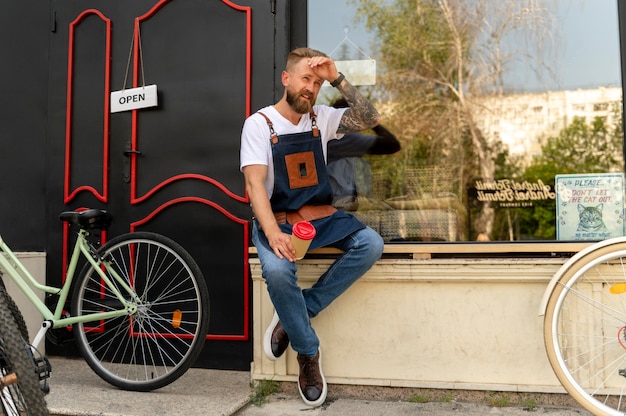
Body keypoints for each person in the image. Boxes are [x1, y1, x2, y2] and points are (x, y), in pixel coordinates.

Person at [240, 47, 385, 407]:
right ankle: (308, 352)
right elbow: (254, 185)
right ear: (286, 78)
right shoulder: (259, 124)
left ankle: (297, 313)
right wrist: (272, 233)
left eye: (318, 83)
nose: (311, 88)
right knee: (275, 271)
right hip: (281, 222)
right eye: (306, 79)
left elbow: (371, 117)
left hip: (322, 218)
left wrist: (338, 77)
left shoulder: (322, 117)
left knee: (371, 245)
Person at [326, 97, 400, 210]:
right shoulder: (343, 139)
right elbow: (392, 144)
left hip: (336, 205)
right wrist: (373, 123)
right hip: (337, 207)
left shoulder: (330, 138)